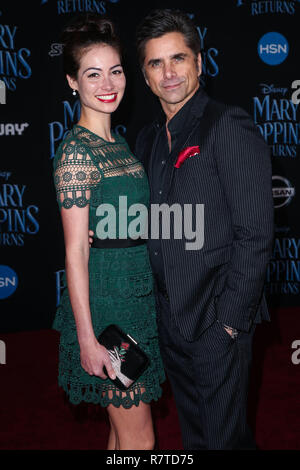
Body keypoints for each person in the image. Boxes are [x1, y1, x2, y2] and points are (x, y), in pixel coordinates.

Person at [133, 9, 274, 449]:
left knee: (223, 440)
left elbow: (255, 235)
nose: (168, 72)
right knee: (197, 437)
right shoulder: (150, 139)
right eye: (156, 63)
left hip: (217, 320)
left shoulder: (227, 126)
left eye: (178, 58)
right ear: (144, 75)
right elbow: (157, 221)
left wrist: (229, 325)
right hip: (169, 319)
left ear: (199, 61)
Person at [52, 13, 165, 451]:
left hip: (136, 296)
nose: (107, 83)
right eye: (92, 74)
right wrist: (87, 338)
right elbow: (76, 251)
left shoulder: (118, 144)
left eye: (115, 71)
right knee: (141, 441)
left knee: (123, 435)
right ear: (72, 82)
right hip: (108, 305)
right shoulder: (77, 153)